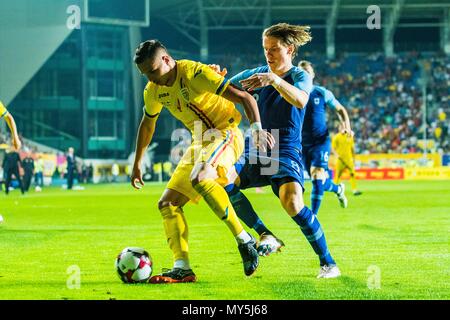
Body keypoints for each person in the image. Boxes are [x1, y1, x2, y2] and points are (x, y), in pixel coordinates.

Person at [130, 39, 274, 283]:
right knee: (168, 204)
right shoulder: (153, 90)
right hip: (199, 142)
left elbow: (245, 98)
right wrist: (137, 162)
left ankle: (244, 240)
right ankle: (182, 268)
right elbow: (148, 123)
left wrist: (257, 129)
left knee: (200, 176)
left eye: (153, 71)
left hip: (226, 132)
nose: (151, 79)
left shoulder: (195, 73)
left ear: (166, 59)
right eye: (145, 75)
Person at [223, 23, 340, 278]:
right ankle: (265, 234)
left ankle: (328, 263)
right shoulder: (258, 72)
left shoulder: (299, 76)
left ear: (289, 49)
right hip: (256, 146)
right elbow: (224, 88)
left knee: (293, 203)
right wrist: (214, 77)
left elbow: (300, 99)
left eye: (274, 49)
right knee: (223, 180)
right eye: (265, 49)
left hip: (285, 147)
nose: (268, 54)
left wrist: (274, 79)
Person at [299, 60, 352, 214]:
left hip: (320, 141)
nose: (305, 75)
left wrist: (346, 126)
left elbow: (340, 109)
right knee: (319, 180)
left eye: (307, 72)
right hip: (302, 144)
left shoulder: (321, 93)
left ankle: (312, 218)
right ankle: (338, 188)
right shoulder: (292, 93)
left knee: (316, 176)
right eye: (302, 73)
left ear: (313, 75)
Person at [332, 124, 362, 196]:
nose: (342, 128)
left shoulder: (349, 137)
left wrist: (354, 158)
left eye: (343, 127)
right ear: (339, 129)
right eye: (341, 127)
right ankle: (336, 190)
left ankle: (354, 190)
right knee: (337, 175)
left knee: (352, 174)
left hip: (349, 159)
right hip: (340, 160)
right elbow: (333, 148)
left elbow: (352, 148)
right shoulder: (336, 137)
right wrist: (336, 155)